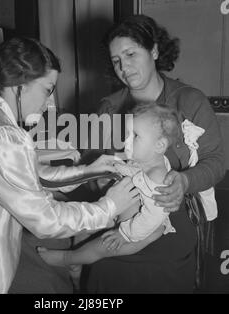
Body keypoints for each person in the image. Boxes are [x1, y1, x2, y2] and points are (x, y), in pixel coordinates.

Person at [0, 37, 142, 294]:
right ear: (20, 84)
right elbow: (45, 220)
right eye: (47, 90)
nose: (48, 104)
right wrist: (109, 207)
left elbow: (32, 176)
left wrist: (89, 171)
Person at [79, 15, 225, 293]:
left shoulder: (189, 101)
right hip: (113, 245)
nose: (124, 66)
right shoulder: (109, 108)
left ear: (155, 51)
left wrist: (185, 181)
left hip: (169, 251)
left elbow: (217, 161)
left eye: (131, 53)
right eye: (116, 60)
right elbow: (90, 167)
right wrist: (98, 181)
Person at [38, 103, 181, 271]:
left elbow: (152, 217)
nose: (126, 141)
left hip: (141, 231)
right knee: (85, 231)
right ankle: (77, 264)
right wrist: (113, 168)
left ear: (159, 145)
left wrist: (124, 234)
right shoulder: (143, 159)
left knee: (103, 246)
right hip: (121, 215)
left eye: (135, 136)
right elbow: (130, 171)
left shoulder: (158, 176)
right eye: (126, 134)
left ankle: (67, 258)